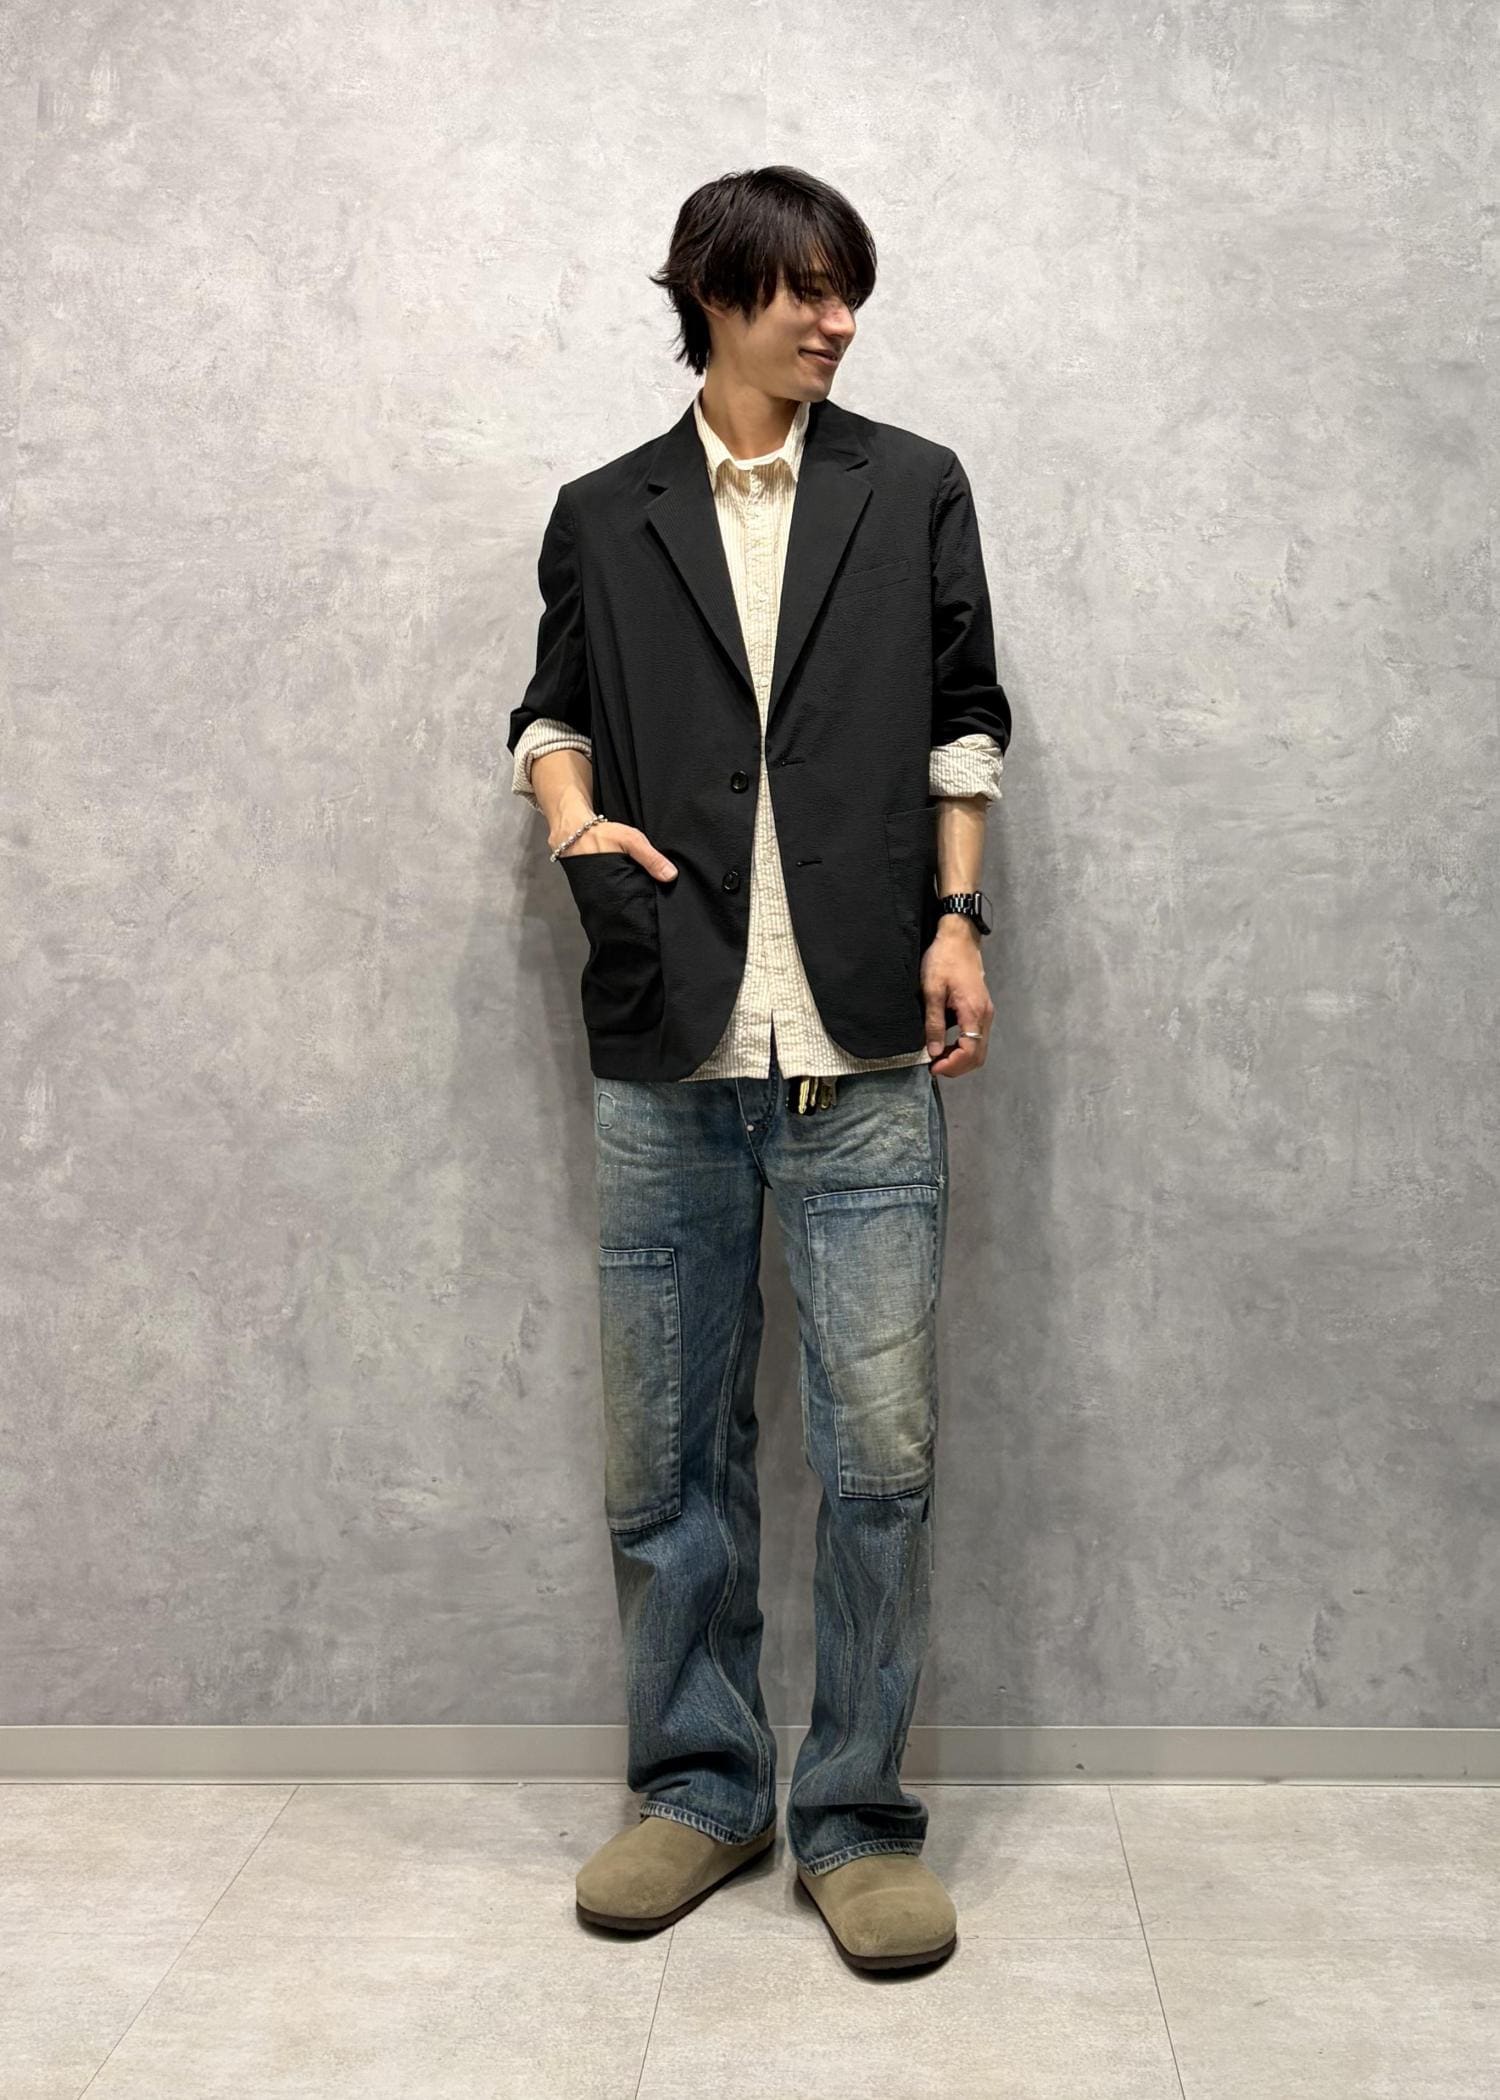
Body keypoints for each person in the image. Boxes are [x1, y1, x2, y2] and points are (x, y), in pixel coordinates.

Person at [507, 166, 1009, 1972]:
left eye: (849, 291)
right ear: (716, 294)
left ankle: (857, 1817)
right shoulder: (606, 511)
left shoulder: (913, 484)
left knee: (878, 1455)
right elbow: (551, 713)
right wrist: (576, 824)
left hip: (865, 1037)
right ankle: (699, 1792)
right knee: (665, 1455)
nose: (838, 319)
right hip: (674, 1048)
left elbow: (966, 716)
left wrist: (959, 916)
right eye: (807, 289)